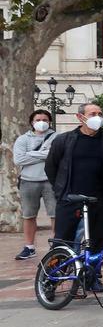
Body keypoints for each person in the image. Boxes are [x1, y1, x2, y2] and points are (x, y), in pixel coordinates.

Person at [45, 102, 103, 291]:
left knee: (97, 242)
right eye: (93, 113)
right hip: (69, 199)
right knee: (63, 240)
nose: (98, 117)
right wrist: (60, 191)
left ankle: (91, 278)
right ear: (80, 117)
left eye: (100, 113)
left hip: (99, 200)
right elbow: (51, 167)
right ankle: (51, 280)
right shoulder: (64, 140)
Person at [13, 110, 58, 260]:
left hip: (51, 181)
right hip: (28, 181)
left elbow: (55, 156)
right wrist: (44, 154)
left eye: (45, 119)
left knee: (55, 215)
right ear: (32, 122)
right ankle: (29, 247)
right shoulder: (23, 139)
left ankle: (57, 246)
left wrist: (30, 154)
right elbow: (19, 160)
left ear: (50, 121)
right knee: (28, 215)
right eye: (38, 119)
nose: (42, 121)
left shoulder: (57, 137)